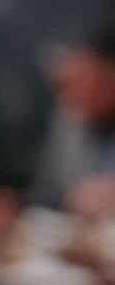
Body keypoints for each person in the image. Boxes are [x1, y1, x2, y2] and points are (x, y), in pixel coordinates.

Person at [30, 26, 115, 214]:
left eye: (83, 80)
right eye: (64, 85)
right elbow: (46, 193)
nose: (69, 96)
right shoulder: (70, 122)